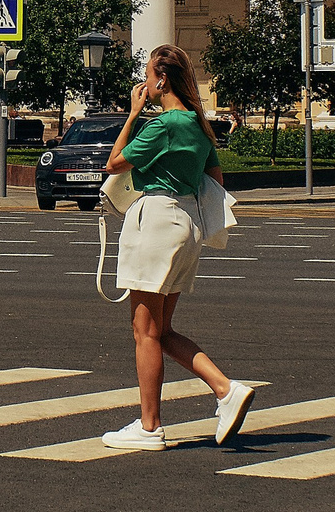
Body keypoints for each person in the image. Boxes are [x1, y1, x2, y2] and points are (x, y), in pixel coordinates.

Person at [99, 44, 257, 452]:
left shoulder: (163, 124)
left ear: (162, 78)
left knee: (144, 331)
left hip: (155, 220)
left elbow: (114, 162)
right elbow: (216, 178)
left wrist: (133, 114)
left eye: (148, 73)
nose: (145, 82)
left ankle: (150, 427)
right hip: (188, 223)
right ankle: (226, 390)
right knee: (161, 330)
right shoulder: (199, 125)